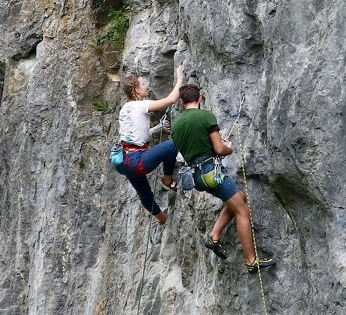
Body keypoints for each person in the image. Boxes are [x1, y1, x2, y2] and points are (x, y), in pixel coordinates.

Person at [171, 84, 276, 273]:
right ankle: (251, 261)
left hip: (196, 177)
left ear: (181, 102)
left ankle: (214, 236)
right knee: (242, 211)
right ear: (200, 99)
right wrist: (230, 149)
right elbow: (219, 149)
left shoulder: (176, 126)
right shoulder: (206, 116)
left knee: (239, 197)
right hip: (212, 172)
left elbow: (191, 151)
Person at [114, 69, 184, 225]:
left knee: (144, 193)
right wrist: (180, 78)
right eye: (144, 84)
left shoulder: (126, 109)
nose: (148, 86)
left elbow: (136, 135)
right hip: (135, 160)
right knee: (172, 145)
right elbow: (171, 100)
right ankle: (167, 181)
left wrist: (158, 128)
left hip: (122, 162)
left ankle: (162, 219)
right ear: (137, 90)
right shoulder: (140, 105)